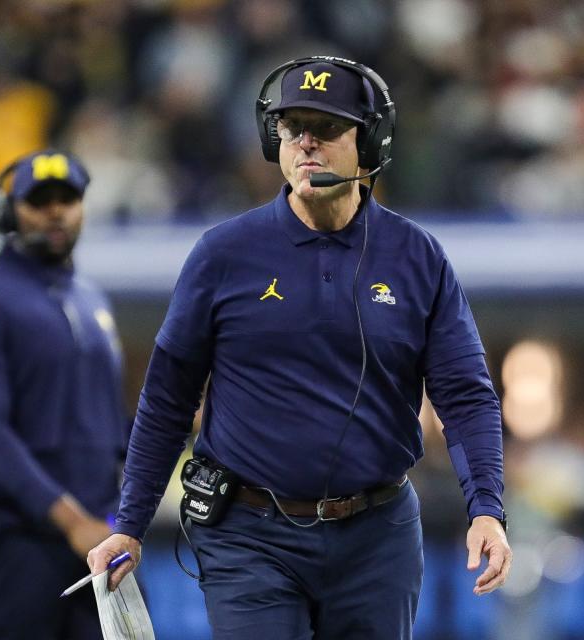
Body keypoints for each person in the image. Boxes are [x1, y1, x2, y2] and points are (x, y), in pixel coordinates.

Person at [89, 56, 512, 639]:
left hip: (377, 533)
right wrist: (130, 523)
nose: (307, 143)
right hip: (248, 533)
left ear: (370, 142)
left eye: (327, 127)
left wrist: (486, 507)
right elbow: (167, 397)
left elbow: (465, 395)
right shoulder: (223, 255)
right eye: (292, 128)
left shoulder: (418, 258)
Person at [0, 150, 128, 639]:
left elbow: (102, 428)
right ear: (7, 212)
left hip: (93, 542)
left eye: (67, 198)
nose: (56, 211)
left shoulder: (90, 299)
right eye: (39, 201)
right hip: (16, 539)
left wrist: (177, 424)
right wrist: (71, 520)